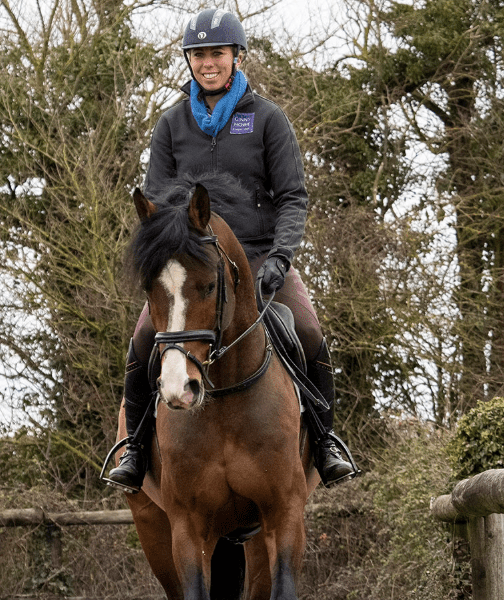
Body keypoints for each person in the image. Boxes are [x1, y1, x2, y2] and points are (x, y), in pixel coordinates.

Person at [104, 8, 356, 493]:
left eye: (216, 53)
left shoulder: (268, 119)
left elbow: (293, 197)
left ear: (237, 56)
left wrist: (281, 257)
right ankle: (134, 447)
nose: (207, 63)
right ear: (189, 60)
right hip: (192, 265)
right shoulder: (171, 124)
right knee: (143, 340)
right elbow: (155, 203)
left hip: (258, 258)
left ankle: (325, 443)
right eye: (198, 55)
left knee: (307, 330)